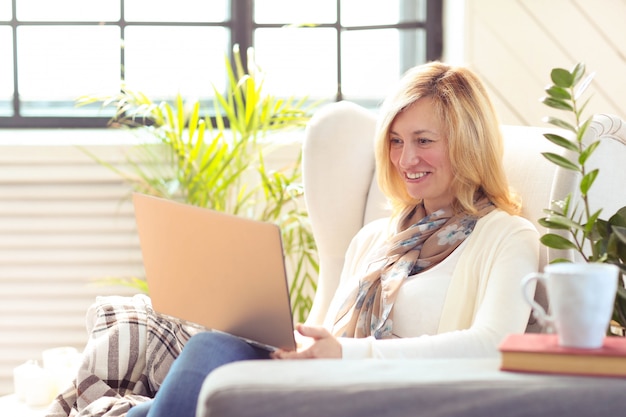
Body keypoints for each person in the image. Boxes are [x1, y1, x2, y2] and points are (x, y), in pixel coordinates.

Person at [127, 61, 539, 417]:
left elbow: (493, 347)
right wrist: (288, 340)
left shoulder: (507, 236)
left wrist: (347, 354)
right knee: (209, 352)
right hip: (327, 384)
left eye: (424, 141)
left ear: (468, 143)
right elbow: (327, 334)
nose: (405, 159)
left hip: (393, 398)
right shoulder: (375, 238)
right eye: (396, 141)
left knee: (204, 360)